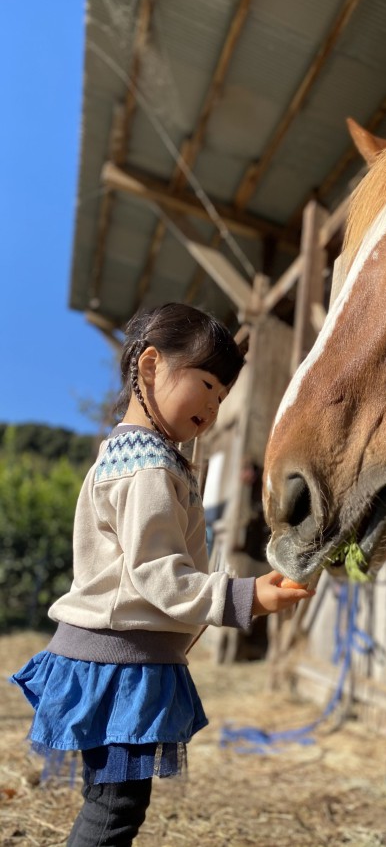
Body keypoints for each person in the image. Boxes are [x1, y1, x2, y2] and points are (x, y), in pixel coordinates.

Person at [10, 303, 314, 846]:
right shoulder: (148, 467)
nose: (214, 406)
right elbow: (157, 575)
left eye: (222, 396)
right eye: (207, 385)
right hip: (117, 663)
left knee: (112, 800)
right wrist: (243, 597)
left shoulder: (140, 457)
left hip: (114, 659)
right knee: (115, 808)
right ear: (151, 366)